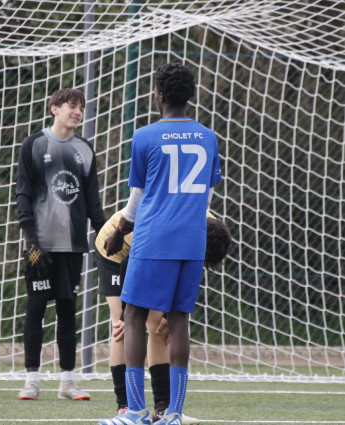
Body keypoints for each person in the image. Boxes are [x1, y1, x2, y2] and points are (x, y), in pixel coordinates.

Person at [99, 63, 223, 425]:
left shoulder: (145, 136)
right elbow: (206, 195)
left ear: (160, 96)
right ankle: (174, 413)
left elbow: (138, 197)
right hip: (192, 240)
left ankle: (136, 411)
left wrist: (120, 230)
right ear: (190, 96)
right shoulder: (208, 137)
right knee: (179, 320)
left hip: (153, 238)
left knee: (134, 316)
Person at [95, 209, 231, 424]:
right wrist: (125, 314)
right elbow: (128, 263)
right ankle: (126, 406)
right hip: (117, 249)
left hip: (153, 249)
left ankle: (163, 407)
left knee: (160, 325)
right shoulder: (172, 230)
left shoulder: (210, 230)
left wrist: (170, 313)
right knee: (122, 326)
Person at [16, 88, 106, 402]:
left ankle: (68, 382)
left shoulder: (85, 149)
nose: (78, 112)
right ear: (54, 108)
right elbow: (23, 195)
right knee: (36, 309)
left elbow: (93, 203)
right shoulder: (33, 144)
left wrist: (107, 235)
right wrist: (31, 241)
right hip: (39, 246)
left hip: (72, 246)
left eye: (81, 107)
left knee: (67, 311)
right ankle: (31, 381)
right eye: (72, 106)